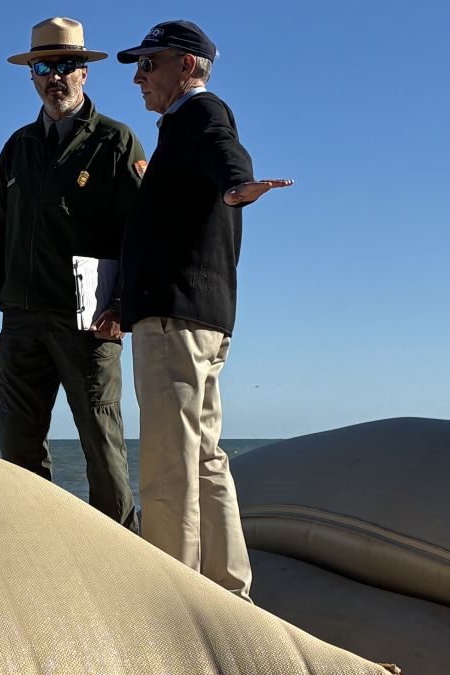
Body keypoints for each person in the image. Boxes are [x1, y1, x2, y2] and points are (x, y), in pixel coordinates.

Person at [114, 20, 293, 599]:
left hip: (175, 321)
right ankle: (229, 592)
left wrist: (239, 184)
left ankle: (174, 606)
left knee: (168, 467)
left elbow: (225, 149)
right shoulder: (179, 131)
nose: (139, 77)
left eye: (150, 64)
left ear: (187, 65)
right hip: (202, 317)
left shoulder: (200, 113)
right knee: (205, 458)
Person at [0, 17, 145, 531]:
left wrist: (123, 306)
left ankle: (124, 559)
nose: (55, 77)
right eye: (44, 67)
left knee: (103, 450)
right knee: (18, 452)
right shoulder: (16, 147)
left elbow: (141, 235)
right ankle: (35, 550)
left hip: (89, 324)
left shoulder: (116, 142)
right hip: (19, 322)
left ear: (84, 72)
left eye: (66, 65)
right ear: (32, 76)